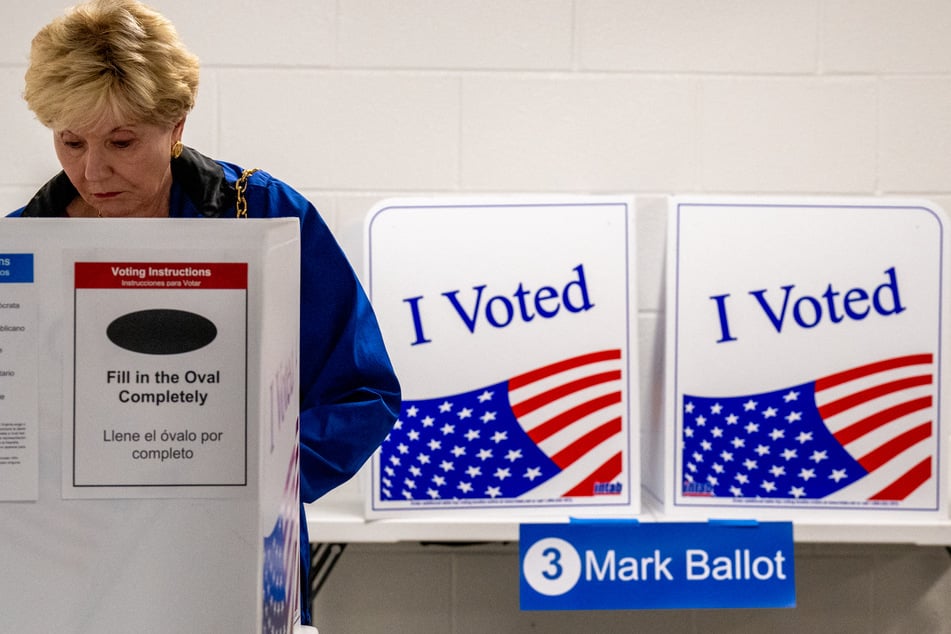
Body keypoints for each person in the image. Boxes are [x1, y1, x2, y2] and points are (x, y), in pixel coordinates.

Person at [8, 0, 401, 625]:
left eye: (122, 141)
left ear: (177, 124)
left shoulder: (265, 216)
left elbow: (361, 391)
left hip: (235, 559)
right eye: (70, 141)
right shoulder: (19, 251)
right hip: (64, 566)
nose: (92, 170)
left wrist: (262, 487)